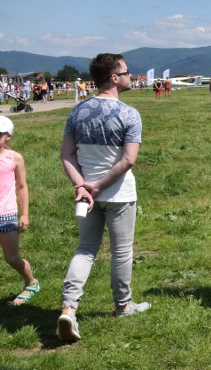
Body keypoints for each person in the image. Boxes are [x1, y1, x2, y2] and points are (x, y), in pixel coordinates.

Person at [58, 53, 149, 342]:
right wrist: (97, 186)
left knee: (85, 250)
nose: (129, 76)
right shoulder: (129, 114)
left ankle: (69, 308)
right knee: (121, 252)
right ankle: (123, 306)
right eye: (126, 72)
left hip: (86, 195)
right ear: (113, 77)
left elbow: (67, 155)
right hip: (118, 193)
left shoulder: (77, 112)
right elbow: (129, 160)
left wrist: (82, 185)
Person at [0, 116, 40, 306]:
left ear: (8, 136)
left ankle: (31, 283)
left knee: (12, 257)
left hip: (6, 214)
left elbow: (22, 187)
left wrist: (24, 214)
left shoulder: (14, 158)